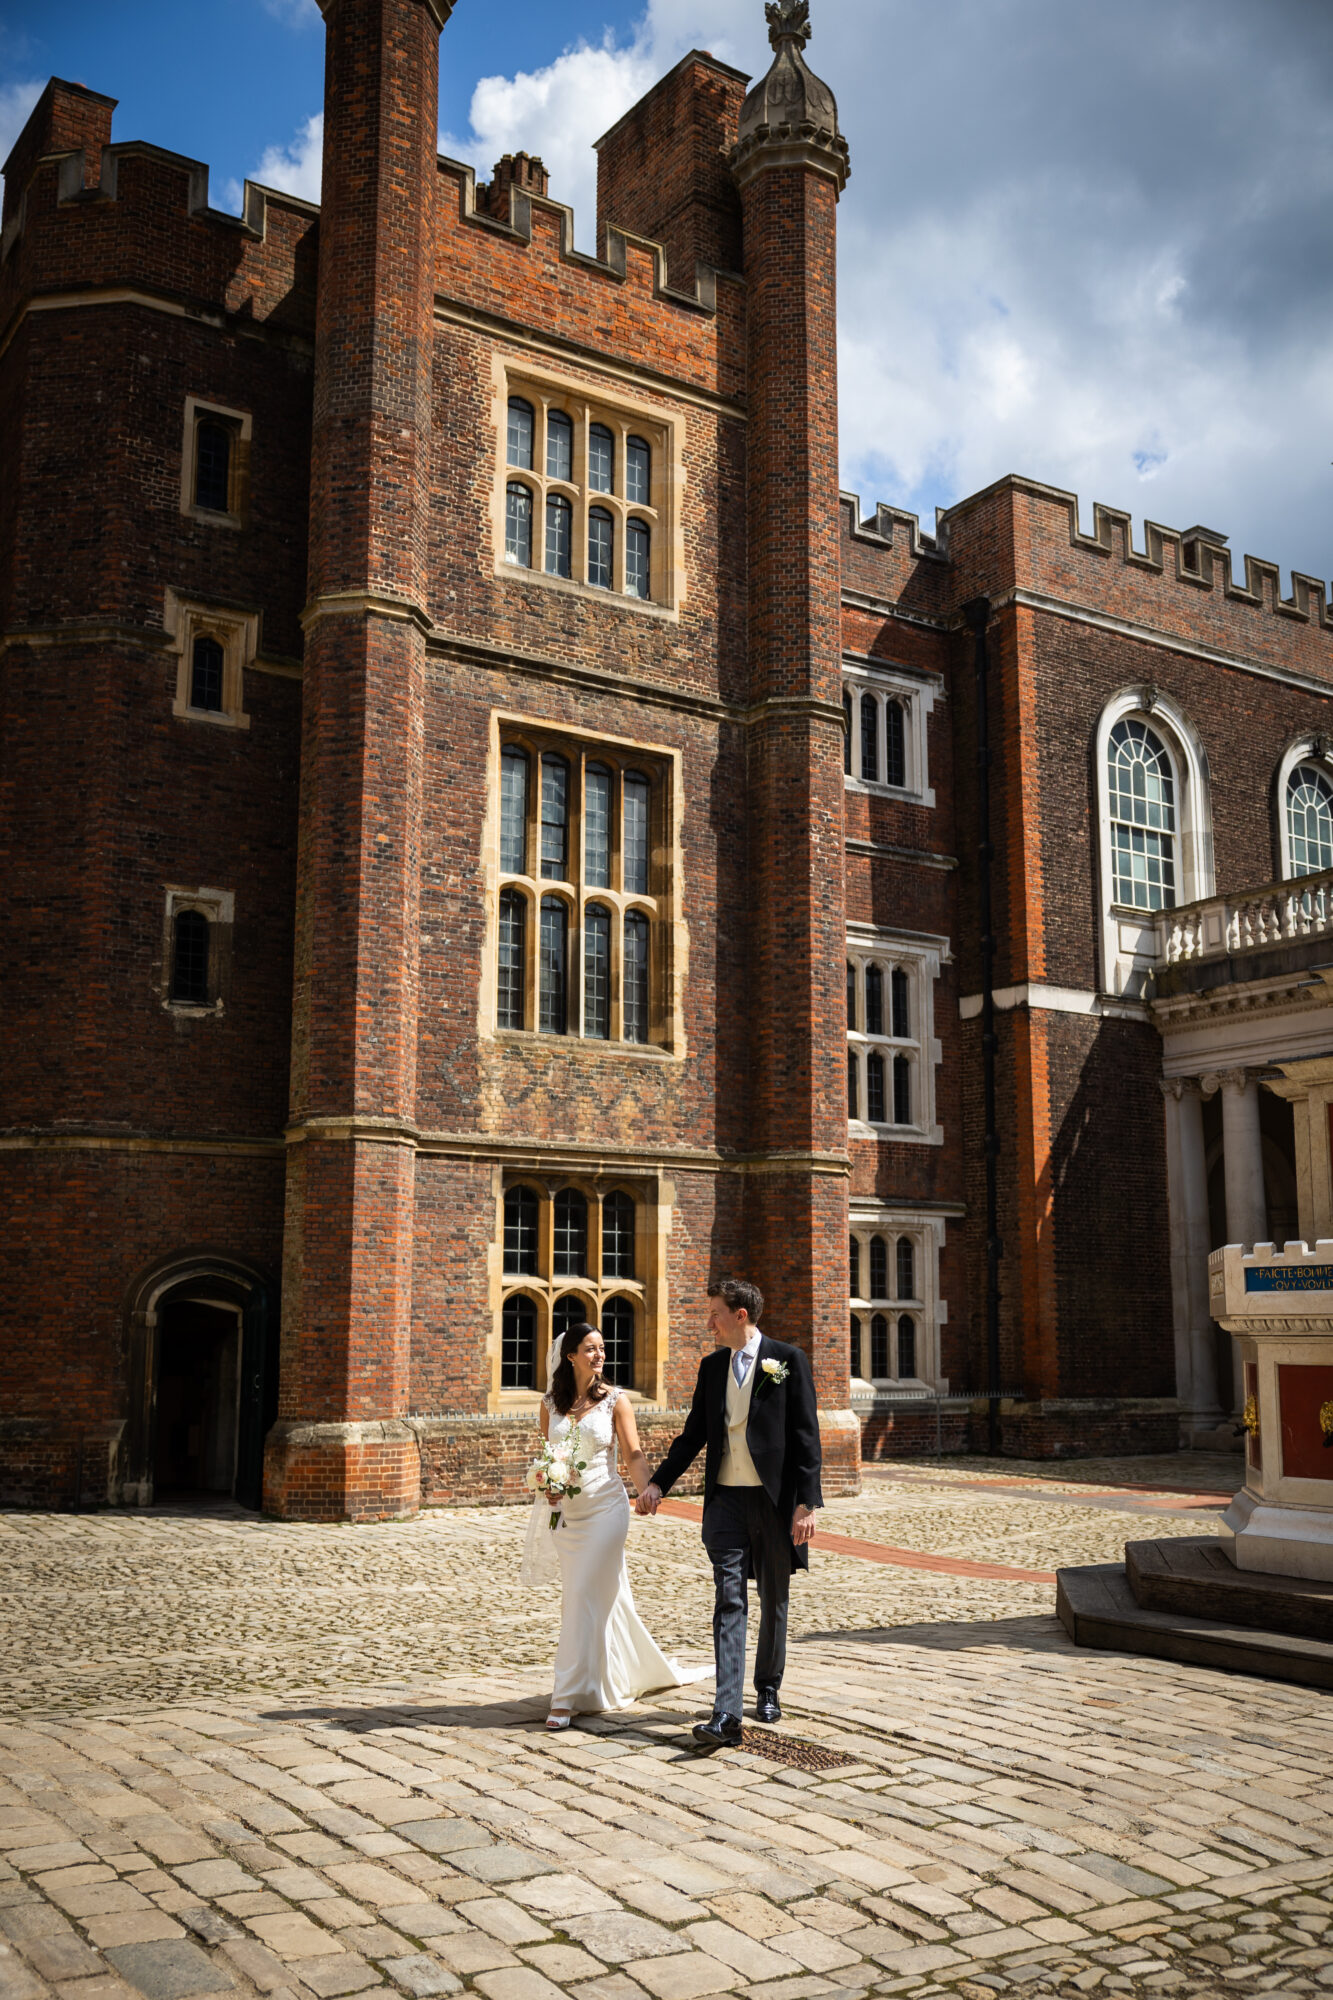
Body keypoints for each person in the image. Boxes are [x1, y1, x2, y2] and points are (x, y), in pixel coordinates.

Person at [636, 1278, 822, 1751]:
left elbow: (806, 1438)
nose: (709, 1322)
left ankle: (768, 1688)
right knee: (729, 1600)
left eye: (715, 1313)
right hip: (725, 1502)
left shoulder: (787, 1360)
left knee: (774, 1599)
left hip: (774, 1502)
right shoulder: (712, 1366)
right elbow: (693, 1433)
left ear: (740, 1315)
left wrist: (807, 1503)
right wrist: (659, 1482)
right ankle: (727, 1712)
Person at [524, 1321, 705, 1730]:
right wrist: (547, 1486)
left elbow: (633, 1455)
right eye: (590, 1348)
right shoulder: (550, 1403)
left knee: (581, 1598)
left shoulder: (616, 1401)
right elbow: (548, 1455)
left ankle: (566, 1697)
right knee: (598, 1599)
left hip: (606, 1511)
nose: (599, 1354)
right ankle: (619, 1674)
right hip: (567, 1517)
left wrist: (649, 1490)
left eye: (602, 1348)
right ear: (570, 1356)